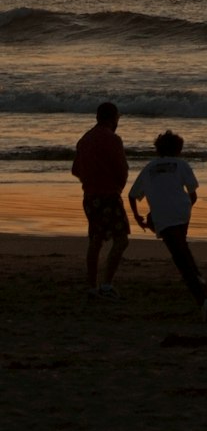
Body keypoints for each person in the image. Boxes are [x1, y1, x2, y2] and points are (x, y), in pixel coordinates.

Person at [128, 131, 207, 322]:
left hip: (161, 214)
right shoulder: (181, 165)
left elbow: (132, 195)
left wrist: (137, 217)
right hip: (181, 210)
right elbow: (193, 193)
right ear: (179, 149)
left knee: (179, 255)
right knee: (181, 247)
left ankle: (203, 298)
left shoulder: (149, 167)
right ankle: (200, 282)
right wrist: (183, 207)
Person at [72, 100, 130, 300]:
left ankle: (91, 285)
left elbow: (75, 170)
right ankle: (106, 284)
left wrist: (90, 181)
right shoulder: (113, 140)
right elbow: (122, 170)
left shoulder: (85, 139)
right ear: (114, 118)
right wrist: (117, 187)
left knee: (95, 240)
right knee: (121, 239)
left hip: (89, 195)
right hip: (108, 195)